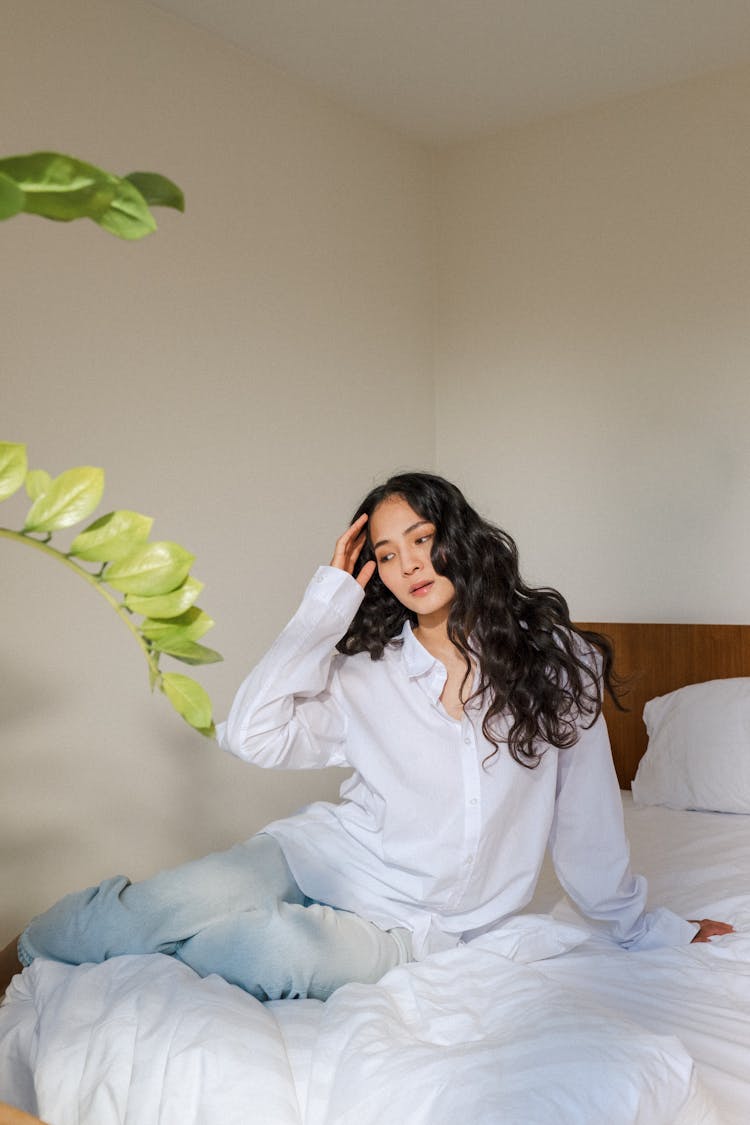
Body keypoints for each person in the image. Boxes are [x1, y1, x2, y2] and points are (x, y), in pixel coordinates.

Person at [0, 472, 731, 1001]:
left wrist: (640, 925)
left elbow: (589, 823)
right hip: (323, 858)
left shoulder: (558, 661)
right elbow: (253, 734)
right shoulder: (365, 669)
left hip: (420, 928)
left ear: (461, 539)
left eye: (422, 537)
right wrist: (325, 604)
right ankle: (30, 949)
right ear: (370, 571)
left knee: (265, 948)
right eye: (385, 553)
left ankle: (159, 942)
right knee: (165, 903)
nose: (409, 562)